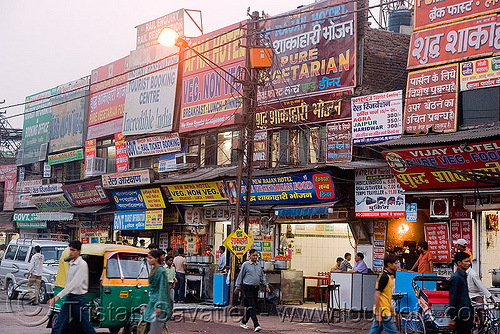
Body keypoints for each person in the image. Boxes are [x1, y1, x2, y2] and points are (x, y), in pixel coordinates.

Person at [48, 240, 96, 334]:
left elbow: (74, 284)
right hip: (70, 298)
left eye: (73, 250)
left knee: (86, 326)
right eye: (70, 250)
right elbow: (69, 283)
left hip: (78, 299)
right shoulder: (71, 263)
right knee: (59, 325)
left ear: (78, 251)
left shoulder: (82, 265)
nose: (71, 252)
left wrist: (58, 296)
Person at [235, 249, 270, 332]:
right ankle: (256, 324)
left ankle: (244, 321)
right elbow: (240, 276)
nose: (255, 257)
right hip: (247, 288)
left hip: (256, 288)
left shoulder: (258, 265)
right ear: (249, 256)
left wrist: (266, 285)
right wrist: (237, 286)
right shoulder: (245, 265)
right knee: (252, 306)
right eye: (253, 255)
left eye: (256, 255)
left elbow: (262, 276)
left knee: (252, 306)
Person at [137, 249, 170, 334]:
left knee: (156, 327)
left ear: (156, 258)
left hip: (158, 303)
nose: (148, 260)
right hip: (152, 301)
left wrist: (159, 305)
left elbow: (162, 289)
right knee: (144, 325)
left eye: (150, 258)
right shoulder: (154, 269)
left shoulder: (160, 271)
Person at [368, 254, 399, 334]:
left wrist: (392, 311)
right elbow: (377, 295)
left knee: (374, 332)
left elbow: (386, 297)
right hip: (383, 313)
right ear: (389, 264)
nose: (397, 265)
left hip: (384, 311)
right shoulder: (384, 277)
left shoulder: (389, 277)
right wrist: (378, 314)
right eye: (395, 263)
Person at [448, 252, 474, 334]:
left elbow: (465, 297)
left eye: (469, 261)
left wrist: (473, 312)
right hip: (460, 315)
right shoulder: (456, 278)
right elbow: (453, 298)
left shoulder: (463, 276)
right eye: (466, 261)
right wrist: (453, 318)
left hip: (467, 313)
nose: (469, 264)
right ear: (459, 263)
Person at [467, 265, 494, 330]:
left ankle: (480, 329)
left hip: (476, 295)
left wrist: (489, 296)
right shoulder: (463, 273)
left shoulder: (472, 274)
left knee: (480, 312)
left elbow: (481, 286)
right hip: (469, 295)